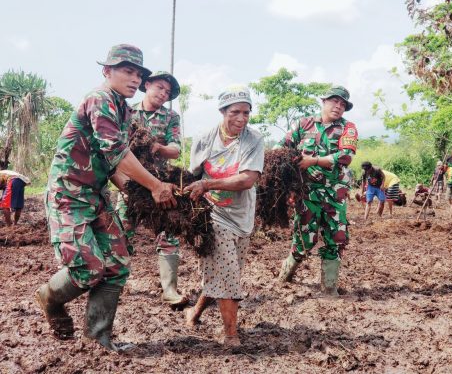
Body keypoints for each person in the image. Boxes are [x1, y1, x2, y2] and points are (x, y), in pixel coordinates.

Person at [35, 44, 177, 351]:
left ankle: (99, 340)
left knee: (116, 264)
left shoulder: (124, 110)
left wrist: (132, 190)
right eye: (127, 71)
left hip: (95, 194)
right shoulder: (99, 99)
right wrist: (154, 185)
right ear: (107, 71)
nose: (134, 79)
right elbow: (116, 151)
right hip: (68, 194)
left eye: (138, 74)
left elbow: (112, 162)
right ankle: (49, 298)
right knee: (88, 269)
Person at [183, 85, 264, 347]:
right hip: (212, 215)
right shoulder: (205, 139)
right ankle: (231, 335)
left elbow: (247, 180)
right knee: (227, 273)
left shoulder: (253, 140)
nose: (241, 118)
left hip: (242, 215)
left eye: (246, 112)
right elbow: (192, 174)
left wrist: (208, 184)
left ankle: (195, 312)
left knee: (227, 273)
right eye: (235, 112)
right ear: (222, 112)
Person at [276, 85, 358, 298]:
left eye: (342, 104)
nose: (338, 107)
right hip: (307, 193)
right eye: (334, 102)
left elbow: (346, 156)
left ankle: (329, 288)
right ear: (324, 102)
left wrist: (314, 160)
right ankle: (285, 274)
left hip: (335, 194)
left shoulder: (348, 128)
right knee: (304, 240)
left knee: (336, 237)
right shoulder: (303, 124)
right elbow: (282, 147)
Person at [115, 71, 188, 308]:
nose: (163, 94)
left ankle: (169, 290)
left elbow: (176, 149)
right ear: (147, 85)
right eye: (159, 88)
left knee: (168, 234)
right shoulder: (127, 111)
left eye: (167, 93)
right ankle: (115, 285)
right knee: (123, 232)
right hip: (130, 184)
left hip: (159, 183)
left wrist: (157, 147)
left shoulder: (170, 117)